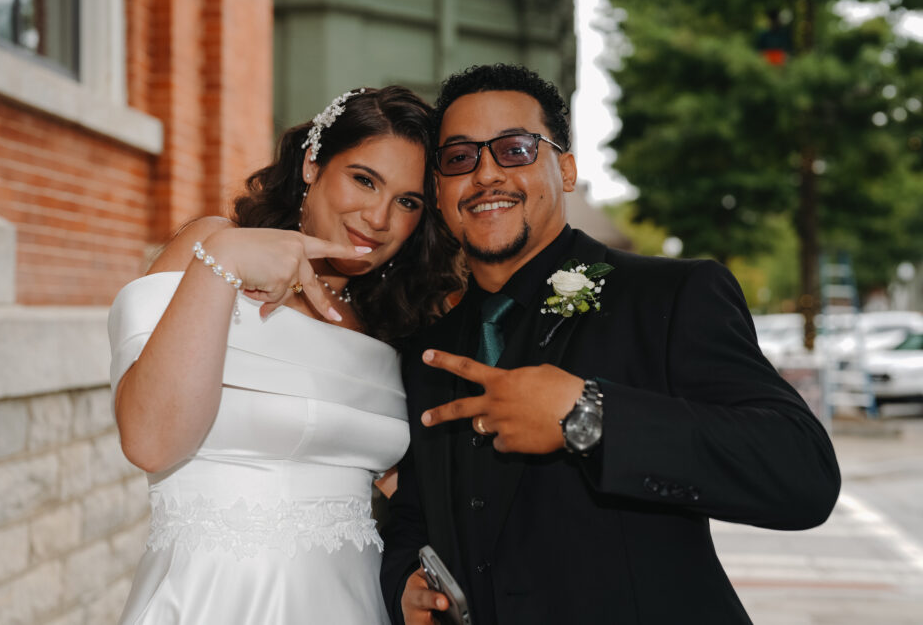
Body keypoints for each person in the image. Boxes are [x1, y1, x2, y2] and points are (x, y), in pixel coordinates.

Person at [380, 64, 841, 625]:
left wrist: (588, 417)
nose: (486, 174)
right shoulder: (427, 352)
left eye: (515, 149)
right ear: (438, 189)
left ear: (566, 169)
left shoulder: (671, 296)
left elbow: (803, 475)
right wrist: (404, 583)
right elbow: (414, 515)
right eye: (459, 158)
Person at [109, 85, 461, 624]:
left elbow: (423, 496)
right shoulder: (216, 249)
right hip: (215, 601)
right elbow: (150, 441)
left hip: (356, 605)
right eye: (364, 180)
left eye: (408, 202)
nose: (379, 217)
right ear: (312, 164)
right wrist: (222, 261)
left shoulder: (394, 323)